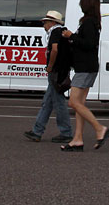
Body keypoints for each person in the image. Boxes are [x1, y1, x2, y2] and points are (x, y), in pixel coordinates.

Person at [59, 0, 109, 151]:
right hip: (89, 67)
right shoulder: (94, 22)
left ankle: (99, 128)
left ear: (86, 5)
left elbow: (89, 44)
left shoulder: (88, 22)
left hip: (85, 68)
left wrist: (71, 36)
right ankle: (78, 139)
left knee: (73, 102)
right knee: (79, 105)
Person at [23, 10, 74, 143]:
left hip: (56, 71)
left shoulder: (55, 32)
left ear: (52, 22)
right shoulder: (63, 32)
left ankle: (66, 132)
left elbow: (54, 49)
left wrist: (50, 66)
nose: (44, 25)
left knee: (58, 103)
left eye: (45, 22)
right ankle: (37, 131)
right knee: (48, 102)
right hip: (62, 71)